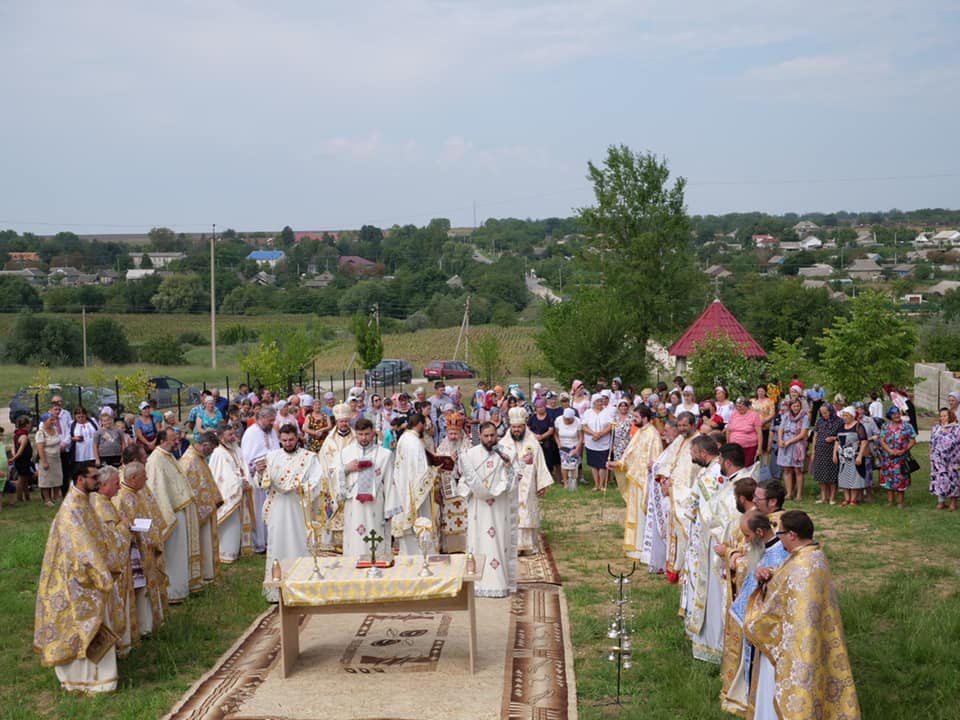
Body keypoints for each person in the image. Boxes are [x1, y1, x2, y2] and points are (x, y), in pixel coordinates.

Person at [743, 510, 861, 719]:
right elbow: (784, 586)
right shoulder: (814, 556)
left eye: (780, 535)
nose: (779, 540)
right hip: (812, 640)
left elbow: (779, 603)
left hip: (791, 648)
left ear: (792, 535)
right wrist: (769, 575)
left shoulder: (802, 567)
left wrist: (755, 624)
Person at [34, 463, 122, 693]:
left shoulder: (84, 501)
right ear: (80, 479)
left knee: (95, 622)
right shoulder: (71, 508)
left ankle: (99, 678)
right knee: (80, 624)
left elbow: (97, 535)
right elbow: (82, 548)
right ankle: (88, 680)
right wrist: (102, 574)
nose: (98, 481)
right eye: (94, 478)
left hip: (87, 573)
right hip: (76, 578)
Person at [720, 510, 790, 717]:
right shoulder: (761, 549)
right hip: (754, 624)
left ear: (759, 532)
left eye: (748, 536)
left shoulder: (780, 555)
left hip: (767, 630)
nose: (747, 542)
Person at [255, 424, 323, 601]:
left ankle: (303, 586)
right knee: (277, 543)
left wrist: (303, 488)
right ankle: (277, 589)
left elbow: (317, 480)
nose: (288, 443)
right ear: (279, 440)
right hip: (278, 508)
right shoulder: (271, 457)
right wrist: (260, 472)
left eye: (291, 439)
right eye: (284, 440)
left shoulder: (308, 458)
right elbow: (261, 483)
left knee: (300, 542)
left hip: (299, 507)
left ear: (297, 437)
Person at [456, 422, 518, 597]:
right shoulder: (470, 455)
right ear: (480, 436)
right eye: (486, 436)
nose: (490, 439)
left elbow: (514, 481)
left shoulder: (508, 454)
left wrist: (507, 467)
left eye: (493, 435)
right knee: (479, 541)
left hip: (499, 508)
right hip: (479, 509)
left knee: (499, 541)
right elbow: (464, 483)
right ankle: (479, 583)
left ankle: (500, 583)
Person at [113, 458, 167, 644]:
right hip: (134, 551)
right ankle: (141, 627)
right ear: (134, 477)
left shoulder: (138, 493)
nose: (147, 479)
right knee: (140, 588)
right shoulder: (121, 497)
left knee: (146, 588)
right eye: (144, 476)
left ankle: (148, 624)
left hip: (146, 547)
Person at [146, 428, 201, 602]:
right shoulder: (155, 461)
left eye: (177, 439)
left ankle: (181, 588)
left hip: (179, 511)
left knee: (180, 553)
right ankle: (173, 592)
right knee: (174, 554)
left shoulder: (168, 456)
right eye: (173, 439)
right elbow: (157, 490)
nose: (177, 442)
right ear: (162, 441)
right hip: (171, 513)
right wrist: (166, 514)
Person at [332, 418, 395, 562]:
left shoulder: (385, 455)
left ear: (373, 432)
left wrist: (389, 509)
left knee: (375, 540)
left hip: (376, 506)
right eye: (360, 434)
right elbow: (333, 474)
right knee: (355, 539)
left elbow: (390, 482)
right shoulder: (345, 453)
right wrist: (347, 468)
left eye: (367, 434)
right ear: (356, 434)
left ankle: (378, 568)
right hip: (354, 505)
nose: (363, 438)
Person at [610, 404, 660, 560]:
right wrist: (618, 464)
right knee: (633, 513)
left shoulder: (653, 435)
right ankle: (633, 546)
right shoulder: (640, 432)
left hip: (643, 481)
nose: (634, 419)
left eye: (636, 417)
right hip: (634, 479)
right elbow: (630, 454)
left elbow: (656, 460)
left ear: (645, 418)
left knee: (641, 514)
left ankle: (641, 549)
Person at [502, 407, 554, 555]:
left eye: (519, 427)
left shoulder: (533, 444)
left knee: (527, 513)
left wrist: (542, 484)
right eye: (514, 427)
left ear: (525, 426)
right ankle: (512, 547)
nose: (516, 430)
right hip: (509, 486)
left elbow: (540, 464)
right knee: (511, 515)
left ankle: (528, 546)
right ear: (510, 427)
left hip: (528, 485)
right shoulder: (503, 444)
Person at [386, 412, 434, 555]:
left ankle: (408, 556)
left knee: (408, 529)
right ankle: (422, 556)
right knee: (418, 525)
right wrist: (434, 472)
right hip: (414, 489)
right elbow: (421, 471)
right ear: (420, 424)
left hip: (402, 487)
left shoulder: (403, 438)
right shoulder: (414, 442)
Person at [179, 431, 224, 583]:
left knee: (207, 541)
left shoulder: (198, 457)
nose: (211, 453)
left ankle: (208, 572)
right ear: (205, 446)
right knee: (202, 542)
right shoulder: (190, 461)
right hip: (198, 510)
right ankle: (204, 573)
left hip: (206, 508)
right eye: (211, 450)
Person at [209, 425, 256, 562]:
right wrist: (240, 484)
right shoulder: (218, 453)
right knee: (231, 524)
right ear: (221, 437)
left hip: (242, 490)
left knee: (239, 523)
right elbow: (222, 476)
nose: (233, 437)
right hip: (229, 493)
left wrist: (247, 481)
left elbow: (244, 468)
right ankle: (226, 553)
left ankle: (241, 548)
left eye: (233, 434)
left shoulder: (237, 449)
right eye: (230, 435)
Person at [316, 403, 356, 550]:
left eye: (346, 420)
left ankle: (353, 547)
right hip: (334, 486)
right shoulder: (329, 442)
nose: (343, 424)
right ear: (336, 422)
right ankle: (335, 549)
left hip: (353, 484)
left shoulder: (357, 438)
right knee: (335, 519)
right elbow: (324, 464)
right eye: (341, 421)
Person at [240, 406, 280, 554]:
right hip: (258, 479)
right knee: (259, 510)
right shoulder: (251, 434)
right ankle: (260, 543)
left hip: (273, 477)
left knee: (272, 510)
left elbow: (275, 450)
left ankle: (272, 540)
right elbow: (246, 459)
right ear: (262, 418)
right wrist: (256, 466)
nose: (273, 423)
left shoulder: (270, 432)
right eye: (271, 420)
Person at [436, 412, 472, 553]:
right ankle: (449, 547)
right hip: (448, 488)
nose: (453, 437)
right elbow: (437, 468)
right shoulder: (442, 447)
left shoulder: (468, 447)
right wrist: (449, 461)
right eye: (450, 434)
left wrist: (460, 461)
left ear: (460, 432)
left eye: (455, 434)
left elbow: (472, 467)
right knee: (447, 515)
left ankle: (465, 545)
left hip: (463, 486)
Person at [879, 405, 917, 508]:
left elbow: (913, 441)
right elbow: (881, 440)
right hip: (888, 459)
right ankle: (890, 502)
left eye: (898, 413)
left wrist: (904, 450)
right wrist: (889, 450)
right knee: (889, 480)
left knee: (901, 479)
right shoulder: (885, 426)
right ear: (890, 416)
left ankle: (900, 502)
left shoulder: (907, 426)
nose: (896, 415)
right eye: (894, 414)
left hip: (901, 458)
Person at [834, 406, 869, 508]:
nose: (844, 417)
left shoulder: (859, 426)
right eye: (843, 415)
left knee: (854, 476)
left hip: (854, 455)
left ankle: (853, 499)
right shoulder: (841, 427)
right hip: (843, 457)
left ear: (852, 416)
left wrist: (860, 455)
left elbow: (864, 442)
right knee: (844, 476)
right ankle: (846, 498)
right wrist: (834, 454)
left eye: (846, 415)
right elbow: (837, 441)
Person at [776, 398, 808, 501]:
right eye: (794, 406)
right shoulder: (786, 416)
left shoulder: (805, 417)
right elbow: (781, 429)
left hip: (796, 444)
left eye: (798, 406)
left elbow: (803, 434)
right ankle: (789, 493)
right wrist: (780, 440)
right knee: (787, 469)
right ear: (790, 407)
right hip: (785, 444)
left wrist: (789, 442)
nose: (796, 408)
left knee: (797, 470)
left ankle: (799, 494)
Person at [929, 407, 960, 511]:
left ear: (950, 416)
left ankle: (953, 502)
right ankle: (941, 502)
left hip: (952, 460)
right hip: (938, 460)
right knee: (939, 480)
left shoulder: (957, 428)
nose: (943, 418)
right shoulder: (936, 428)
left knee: (953, 480)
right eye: (941, 416)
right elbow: (931, 444)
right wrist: (931, 457)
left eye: (945, 416)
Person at [810, 404, 841, 505]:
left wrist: (833, 438)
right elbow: (815, 435)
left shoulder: (839, 421)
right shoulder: (820, 421)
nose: (824, 415)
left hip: (832, 450)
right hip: (820, 450)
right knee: (821, 475)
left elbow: (842, 436)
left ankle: (832, 497)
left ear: (831, 411)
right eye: (822, 413)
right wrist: (813, 450)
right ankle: (823, 497)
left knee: (832, 475)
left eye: (825, 413)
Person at [582, 393, 614, 492]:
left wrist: (600, 434)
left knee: (603, 464)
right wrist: (593, 434)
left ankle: (602, 484)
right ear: (593, 402)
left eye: (601, 401)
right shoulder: (588, 412)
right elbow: (584, 426)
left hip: (604, 442)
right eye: (598, 401)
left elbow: (610, 425)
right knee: (594, 464)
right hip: (591, 442)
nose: (600, 403)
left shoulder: (607, 412)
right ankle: (596, 484)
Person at [36, 412, 64, 506]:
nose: (53, 422)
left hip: (57, 459)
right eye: (50, 420)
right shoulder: (41, 433)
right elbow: (40, 448)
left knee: (57, 478)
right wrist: (44, 461)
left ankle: (56, 497)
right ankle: (47, 499)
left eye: (54, 420)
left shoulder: (55, 429)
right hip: (47, 459)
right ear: (44, 421)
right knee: (46, 480)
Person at [726, 398, 763, 466]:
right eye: (737, 406)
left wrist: (759, 448)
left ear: (747, 406)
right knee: (735, 465)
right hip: (734, 447)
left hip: (749, 447)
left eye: (741, 406)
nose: (738, 408)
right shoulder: (734, 414)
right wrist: (728, 443)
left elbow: (759, 433)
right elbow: (728, 430)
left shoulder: (754, 415)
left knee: (747, 466)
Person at [528, 398, 560, 477]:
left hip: (547, 441)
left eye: (542, 407)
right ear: (536, 408)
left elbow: (551, 430)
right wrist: (535, 436)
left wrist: (542, 436)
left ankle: (549, 472)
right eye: (538, 407)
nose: (540, 409)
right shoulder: (533, 417)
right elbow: (527, 428)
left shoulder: (549, 418)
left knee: (547, 457)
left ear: (545, 407)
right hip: (534, 440)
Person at [554, 407, 583, 491]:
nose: (567, 420)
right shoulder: (558, 420)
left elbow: (581, 437)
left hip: (574, 445)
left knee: (573, 465)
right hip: (563, 446)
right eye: (565, 419)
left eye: (569, 419)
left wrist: (577, 449)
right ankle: (566, 483)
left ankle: (573, 483)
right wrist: (559, 444)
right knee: (564, 465)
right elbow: (555, 434)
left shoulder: (578, 421)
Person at [11, 414, 35, 504]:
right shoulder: (24, 437)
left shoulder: (16, 434)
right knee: (21, 480)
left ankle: (27, 497)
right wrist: (14, 458)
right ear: (27, 425)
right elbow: (20, 451)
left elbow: (14, 447)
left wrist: (14, 455)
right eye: (29, 424)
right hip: (22, 460)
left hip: (21, 460)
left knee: (25, 479)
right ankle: (19, 498)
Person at [751, 385, 776, 465]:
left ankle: (765, 467)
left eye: (762, 391)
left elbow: (772, 414)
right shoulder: (752, 401)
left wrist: (763, 421)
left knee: (765, 448)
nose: (760, 393)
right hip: (754, 429)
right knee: (755, 448)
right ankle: (755, 466)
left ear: (765, 392)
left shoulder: (770, 401)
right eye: (759, 391)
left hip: (765, 428)